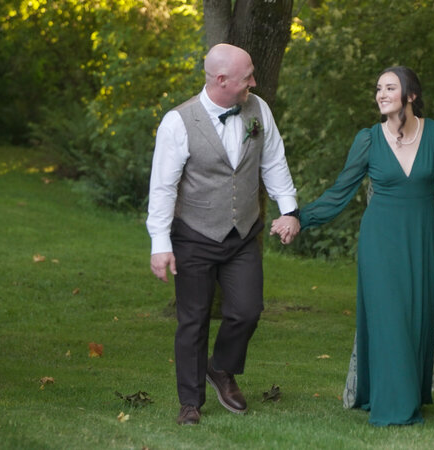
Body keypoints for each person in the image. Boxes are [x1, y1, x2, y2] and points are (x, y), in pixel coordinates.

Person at [272, 66, 434, 426]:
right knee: (388, 318)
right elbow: (340, 192)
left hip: (422, 240)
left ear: (411, 95)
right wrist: (298, 217)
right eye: (378, 89)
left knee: (415, 317)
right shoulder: (368, 139)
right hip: (379, 242)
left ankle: (400, 392)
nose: (381, 94)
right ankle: (395, 408)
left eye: (390, 88)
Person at [146, 43, 300, 426]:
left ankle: (222, 368)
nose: (254, 81)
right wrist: (160, 244)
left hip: (243, 233)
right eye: (248, 76)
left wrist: (289, 210)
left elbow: (274, 160)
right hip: (194, 235)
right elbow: (163, 188)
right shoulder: (178, 122)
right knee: (193, 320)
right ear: (221, 80)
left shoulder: (257, 109)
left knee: (247, 311)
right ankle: (190, 402)